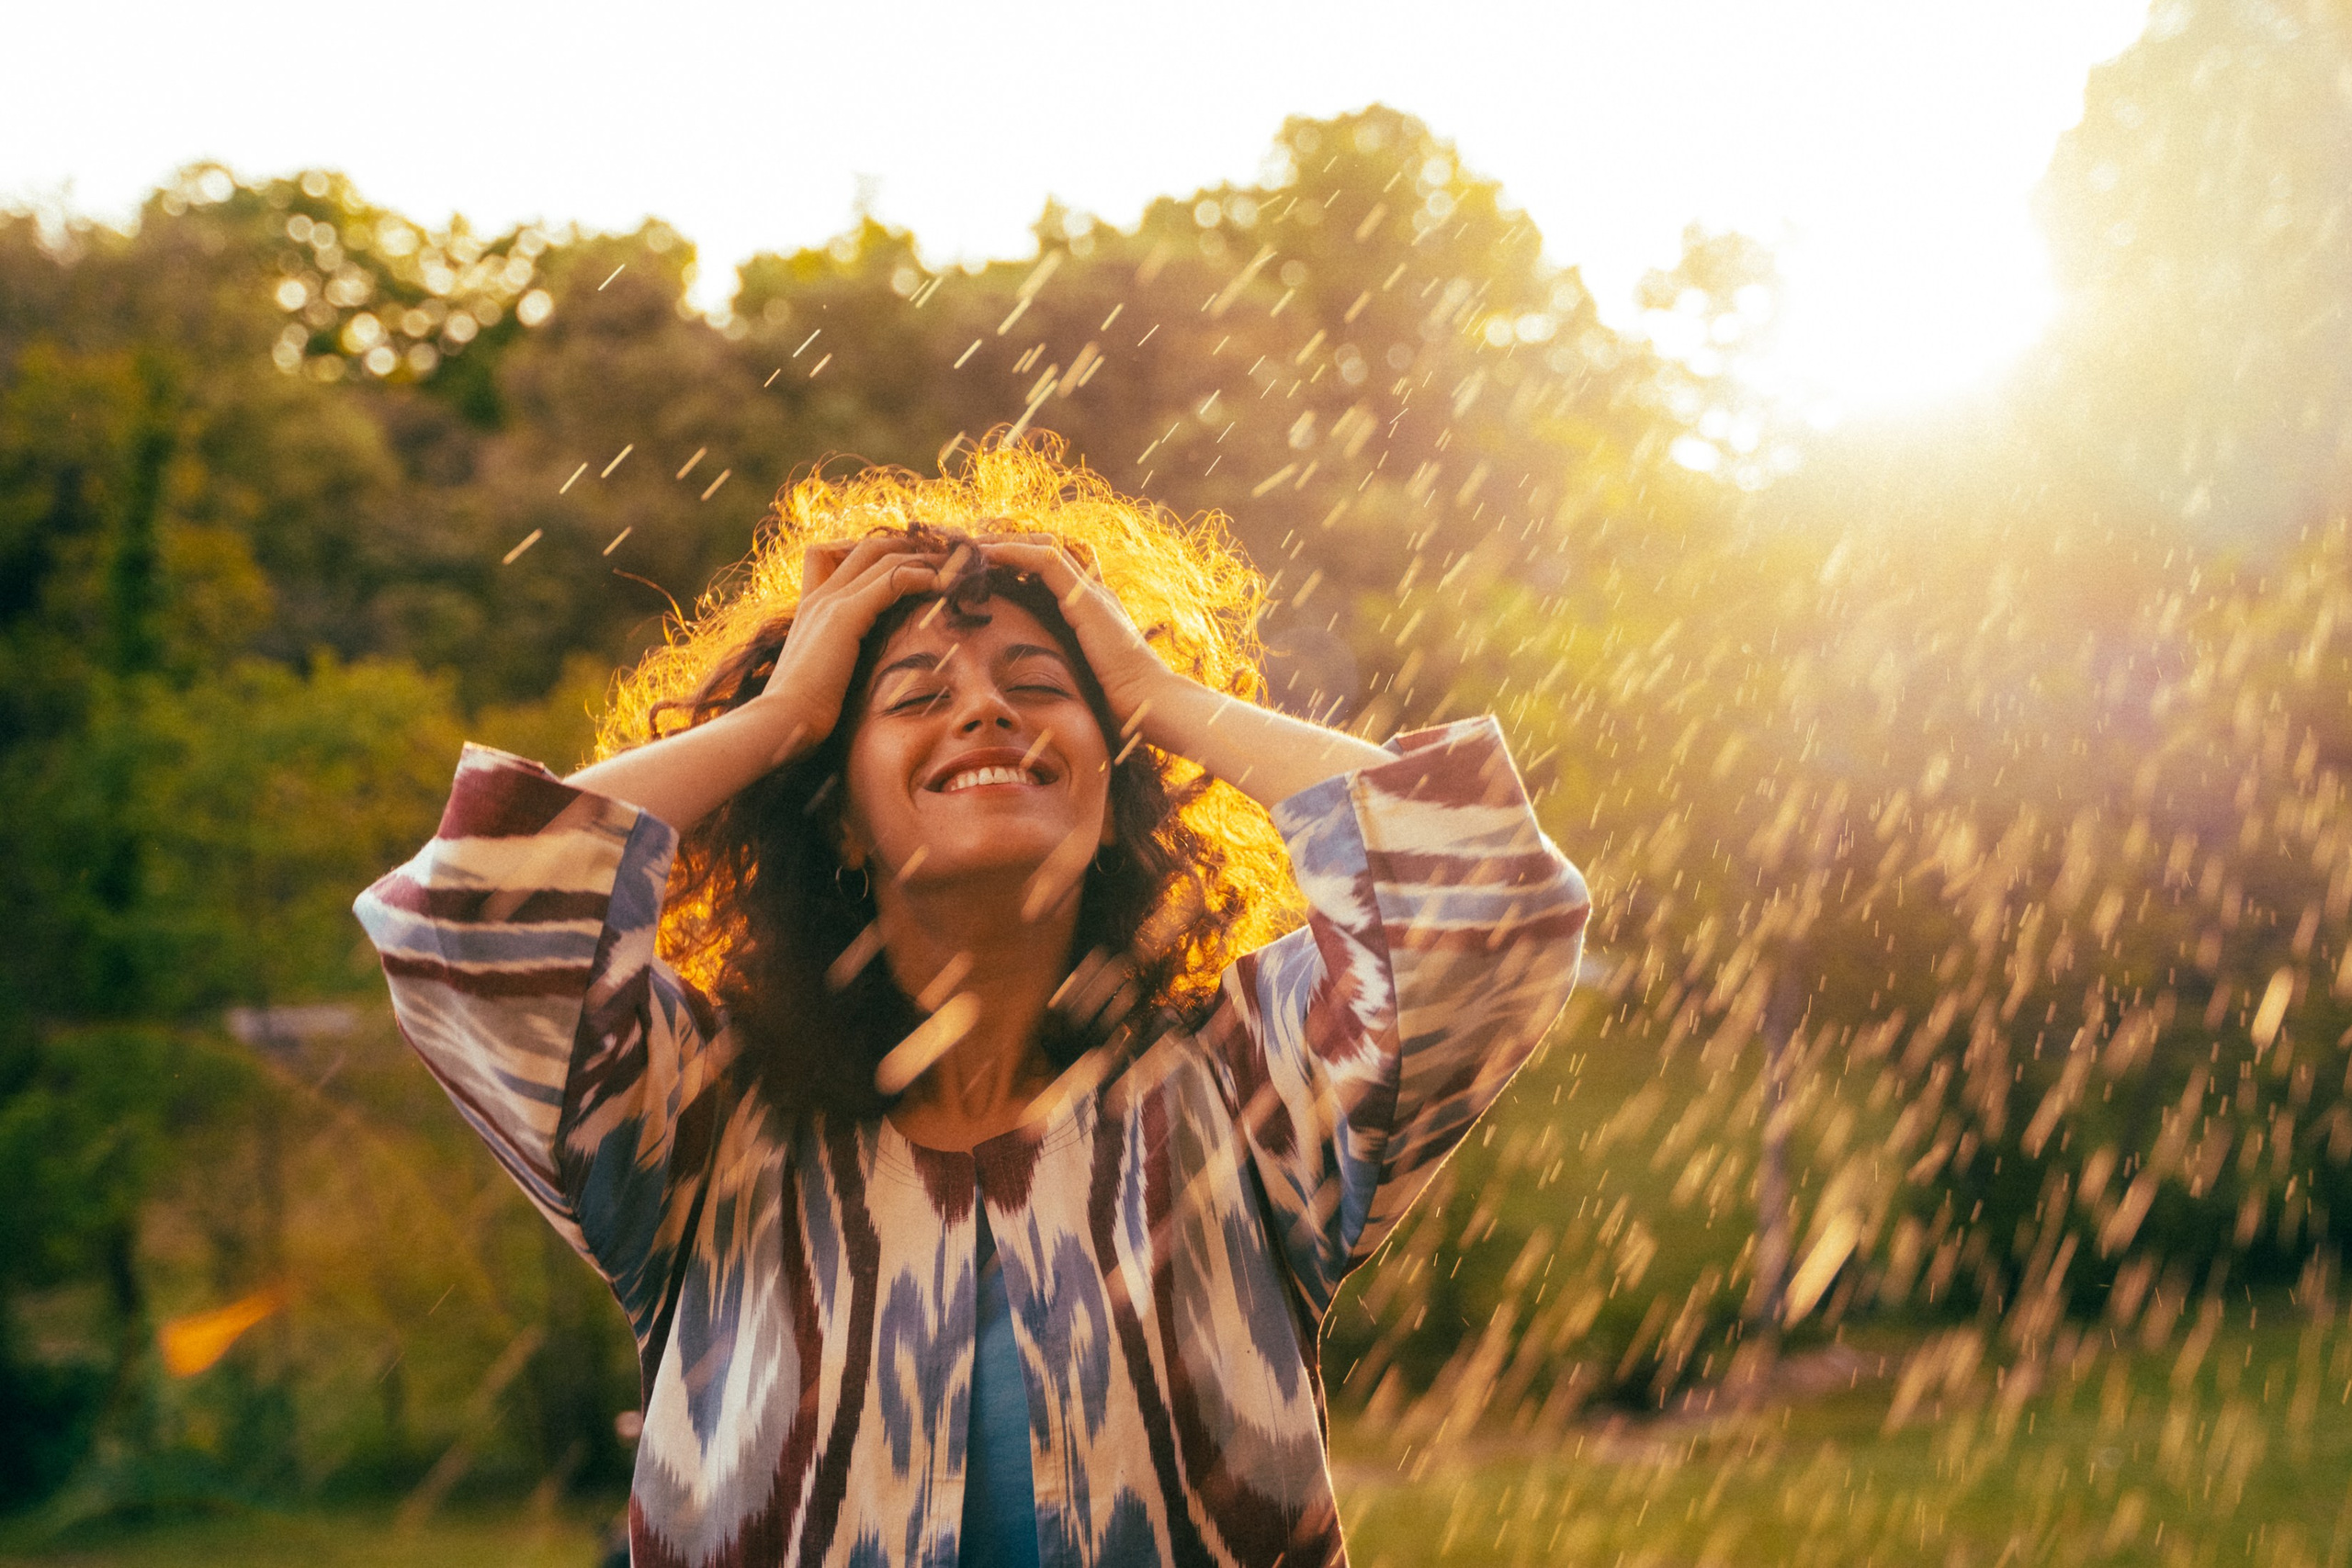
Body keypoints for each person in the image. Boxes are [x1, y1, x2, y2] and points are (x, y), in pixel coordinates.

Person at [355, 441, 1589, 1568]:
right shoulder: (702, 1120)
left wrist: (1155, 693)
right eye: (913, 697)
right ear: (832, 810)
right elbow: (470, 918)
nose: (987, 710)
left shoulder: (1245, 1095)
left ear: (1118, 782)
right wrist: (785, 712)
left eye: (1041, 685)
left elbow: (1491, 904)